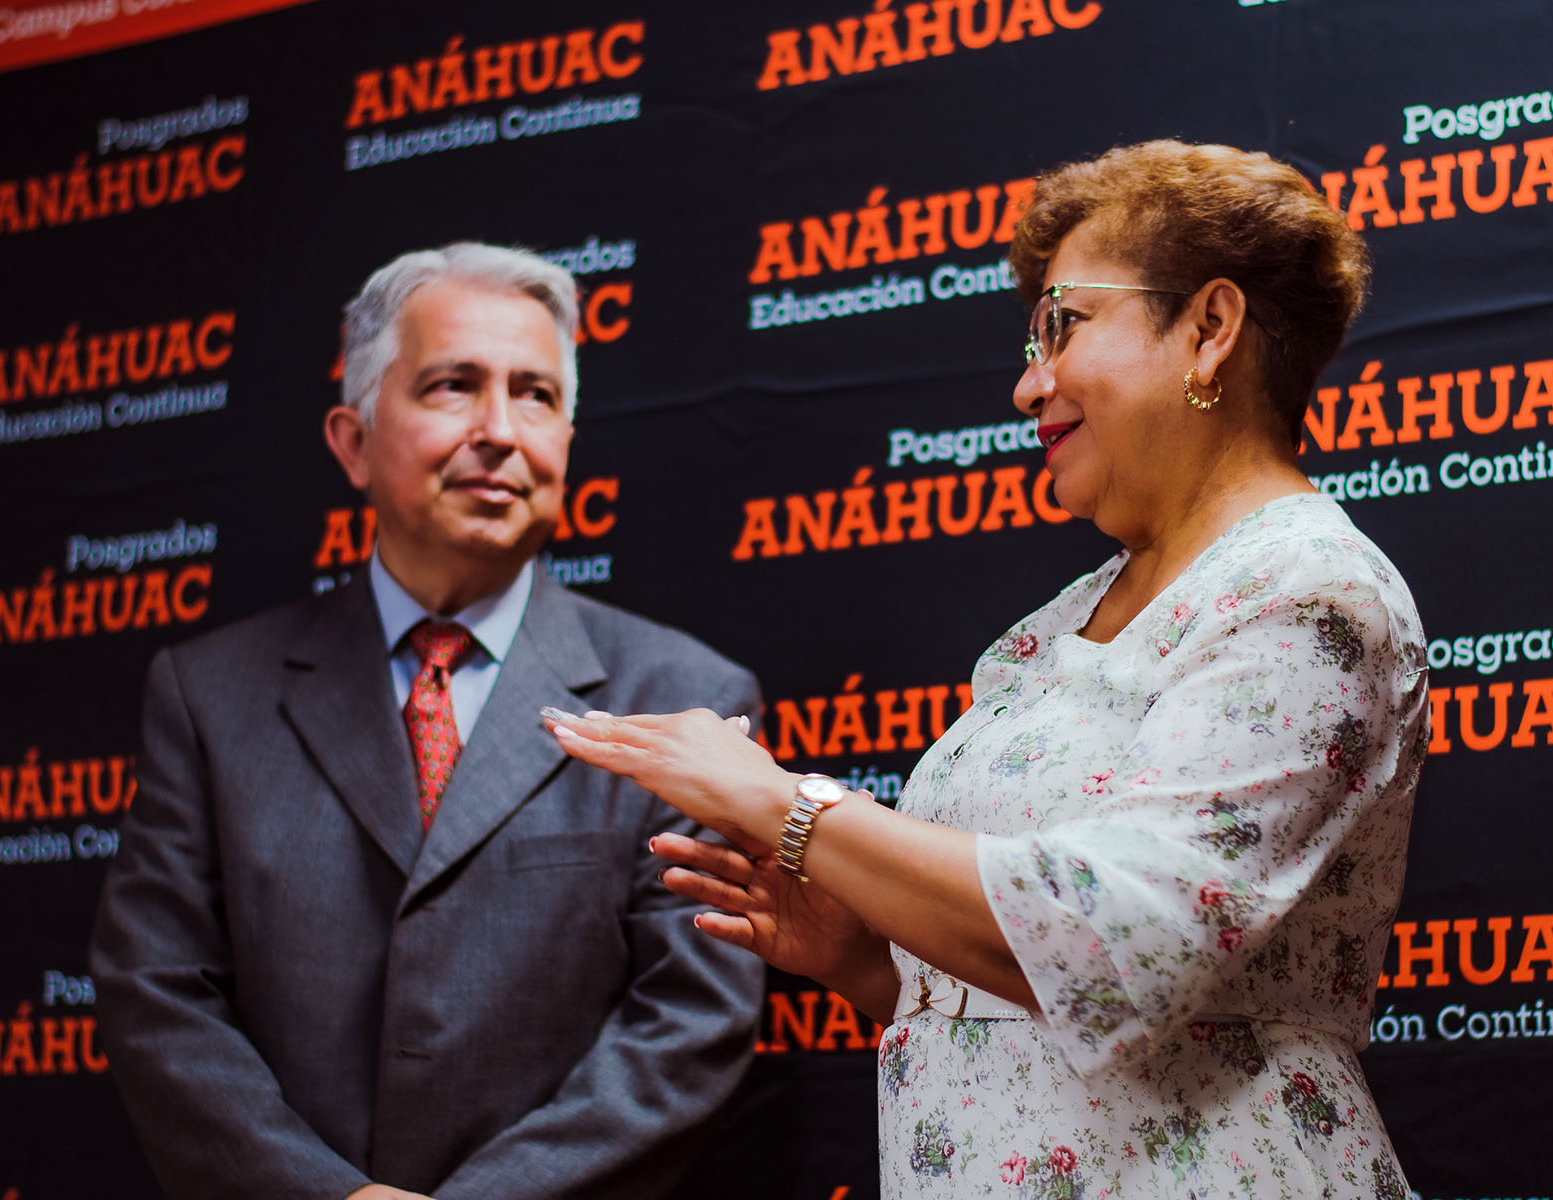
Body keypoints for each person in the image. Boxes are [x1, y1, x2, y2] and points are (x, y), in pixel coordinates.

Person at [547, 141, 1430, 1197]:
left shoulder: (1311, 590)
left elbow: (1122, 944)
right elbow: (1031, 983)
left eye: (1064, 325)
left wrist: (794, 812)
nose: (1027, 384)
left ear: (1210, 328)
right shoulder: (1051, 625)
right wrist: (864, 960)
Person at [90, 242, 765, 1200]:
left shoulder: (684, 697)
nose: (500, 430)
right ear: (354, 440)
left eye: (536, 395)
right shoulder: (209, 695)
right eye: (454, 385)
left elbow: (688, 1021)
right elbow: (155, 994)